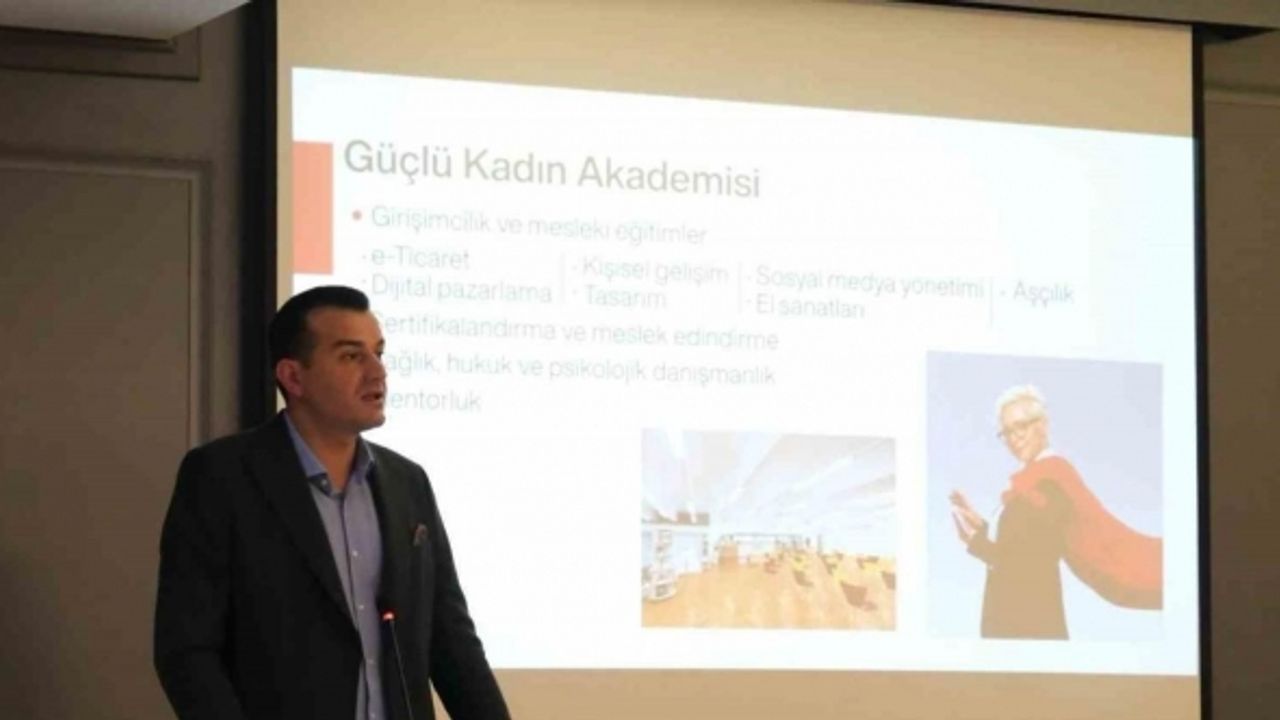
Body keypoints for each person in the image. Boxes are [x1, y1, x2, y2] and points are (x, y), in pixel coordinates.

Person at [154, 285, 510, 720]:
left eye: (379, 353)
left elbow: (451, 639)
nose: (378, 372)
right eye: (352, 356)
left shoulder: (408, 482)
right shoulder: (222, 476)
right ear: (293, 377)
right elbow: (187, 649)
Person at [950, 385, 1162, 640]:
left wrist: (976, 543)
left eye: (1021, 426)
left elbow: (1032, 557)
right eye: (1006, 432)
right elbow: (1018, 543)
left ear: (1043, 425)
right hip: (1011, 621)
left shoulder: (1051, 480)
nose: (1014, 437)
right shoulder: (1030, 484)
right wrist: (982, 527)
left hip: (1030, 626)